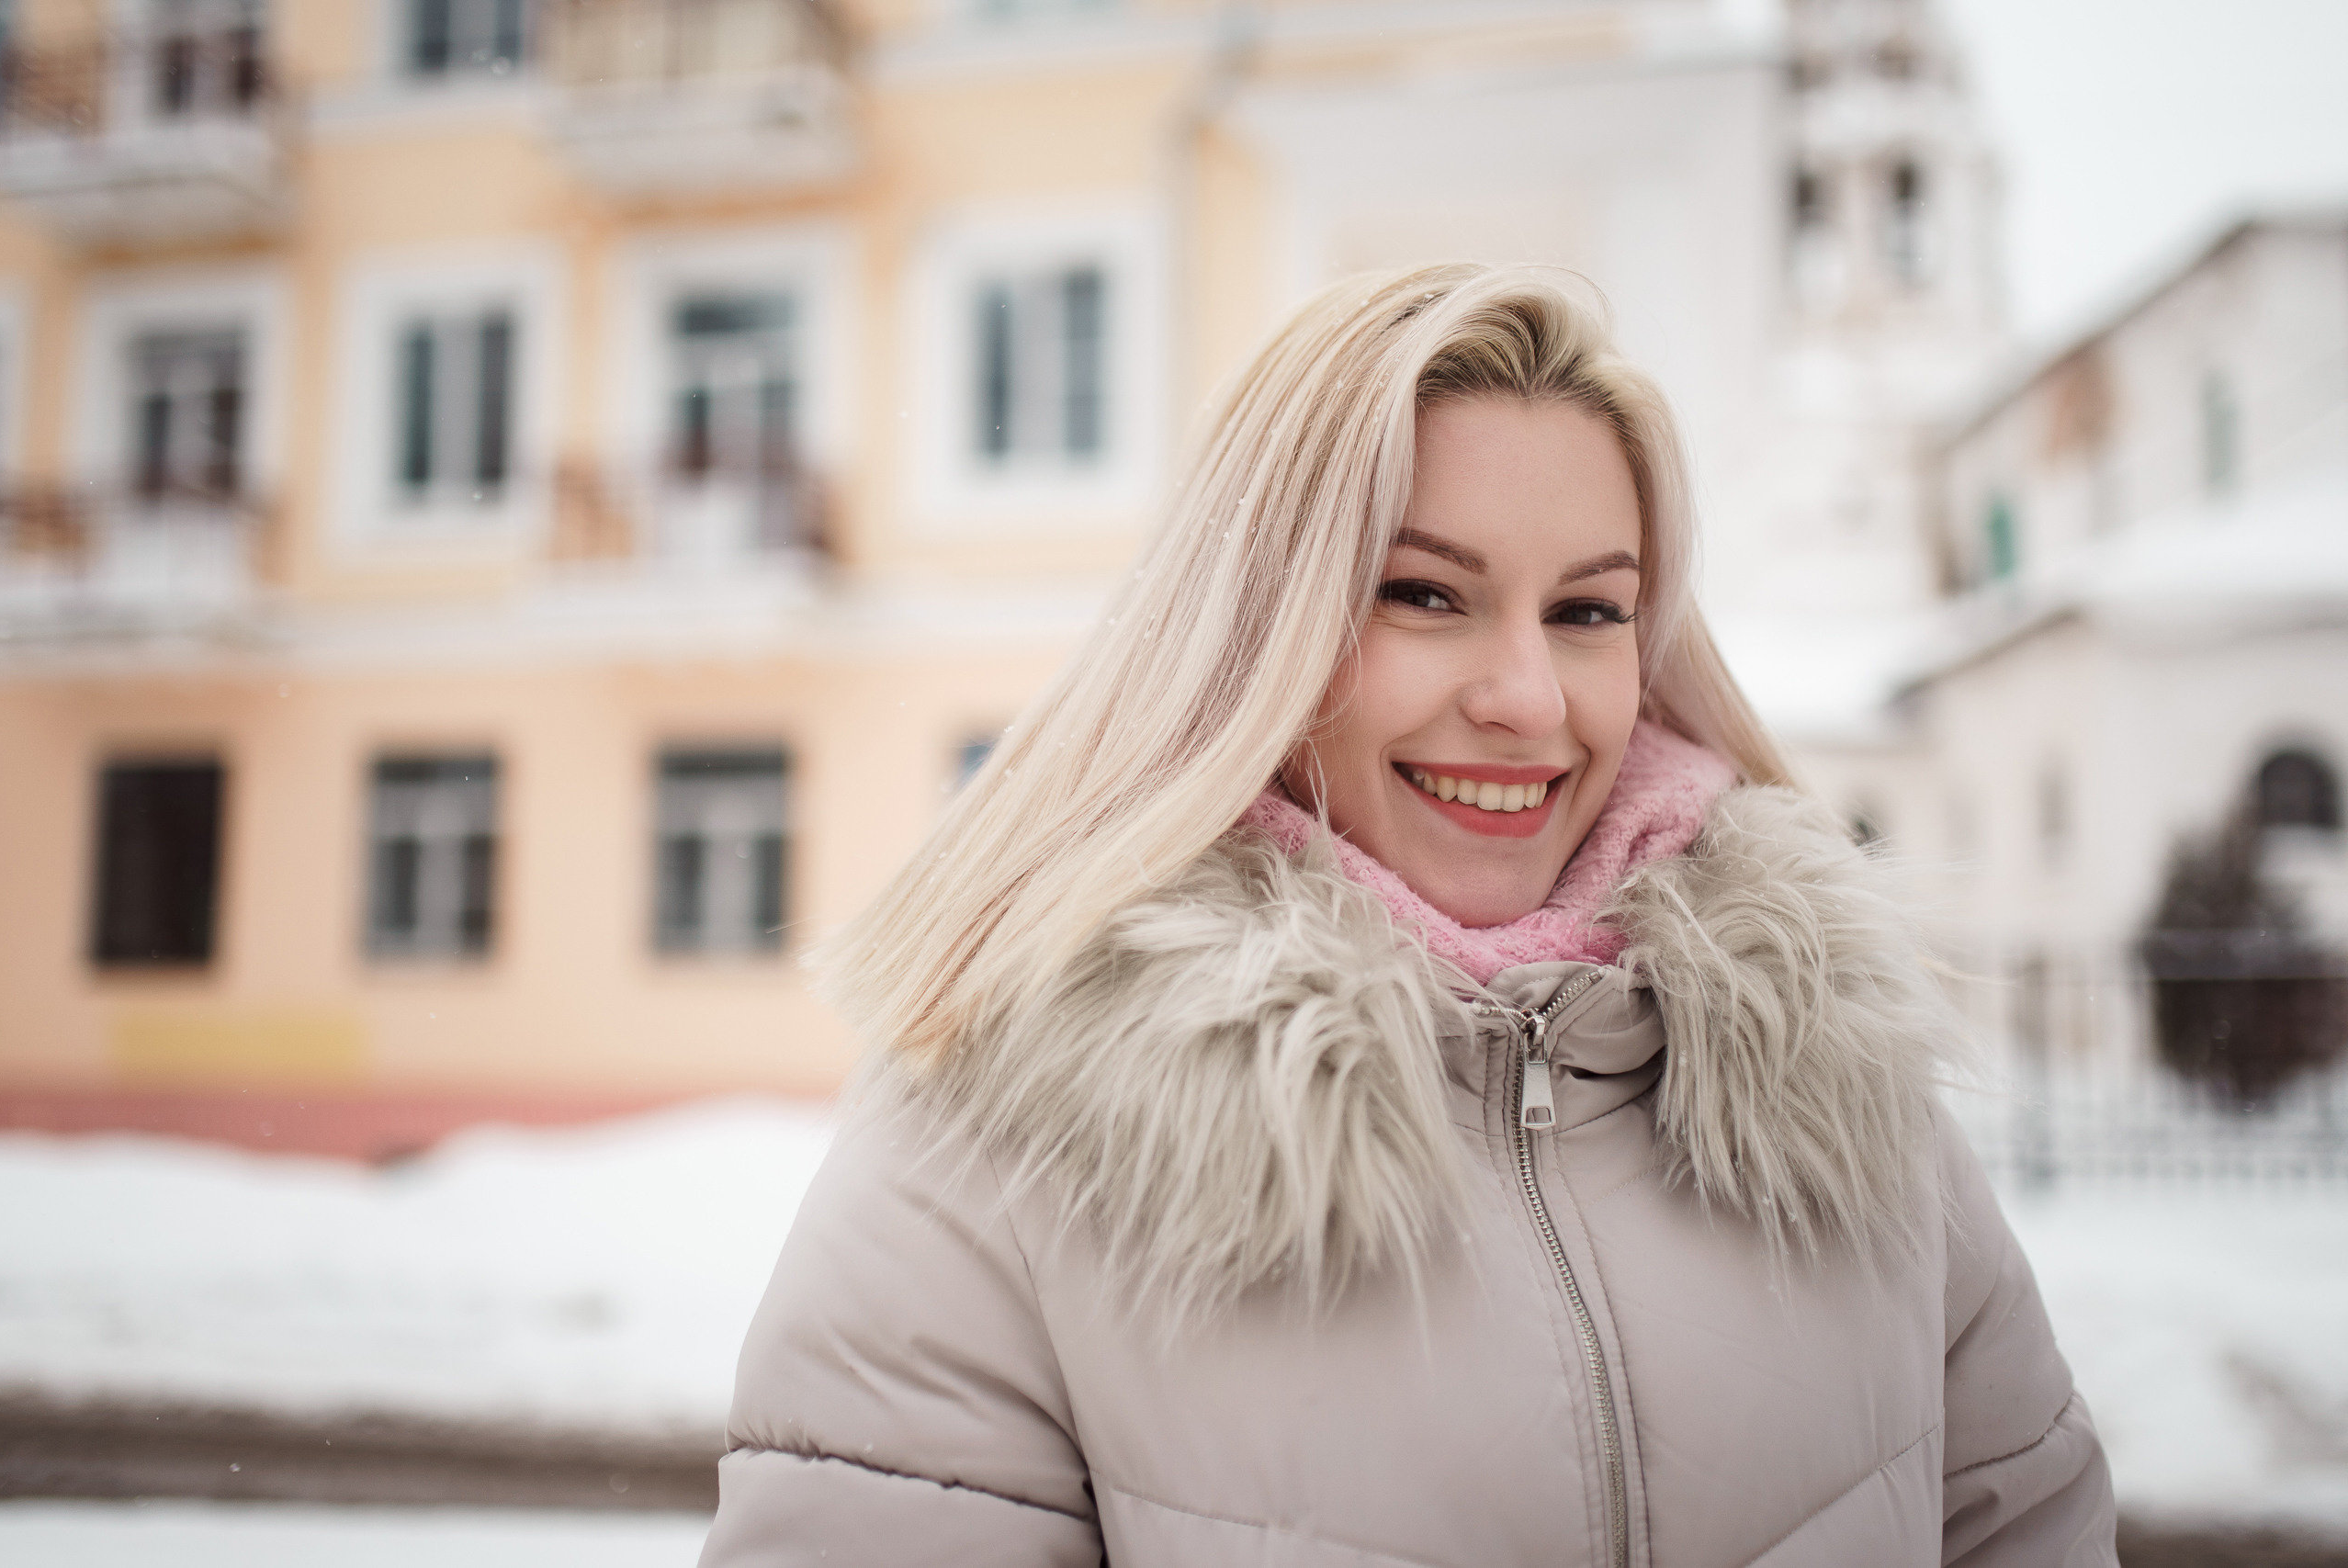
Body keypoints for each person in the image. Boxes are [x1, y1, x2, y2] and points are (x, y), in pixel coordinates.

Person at [700, 263, 2117, 1566]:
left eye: (1586, 612)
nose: (1528, 700)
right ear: (1257, 628)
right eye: (1426, 594)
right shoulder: (995, 1149)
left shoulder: (1828, 1074)